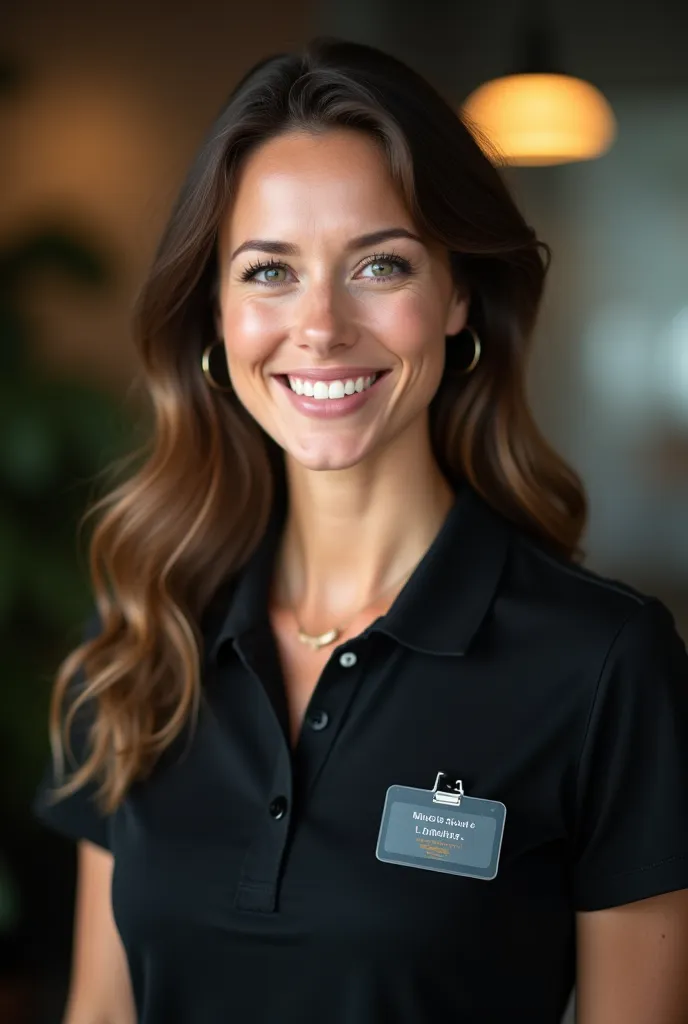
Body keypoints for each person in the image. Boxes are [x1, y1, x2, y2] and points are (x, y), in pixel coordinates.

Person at [33, 36, 688, 1024]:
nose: (322, 326)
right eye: (268, 272)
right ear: (213, 312)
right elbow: (99, 1009)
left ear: (457, 293)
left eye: (378, 264)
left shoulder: (602, 664)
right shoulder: (140, 628)